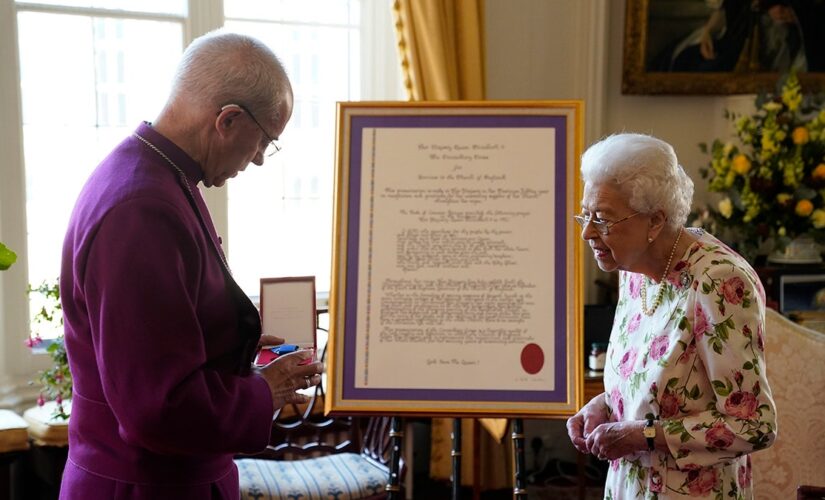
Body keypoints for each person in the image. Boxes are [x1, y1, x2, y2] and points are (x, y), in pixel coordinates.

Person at [59, 31, 323, 499]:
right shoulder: (140, 207)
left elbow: (159, 337)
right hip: (144, 485)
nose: (260, 160)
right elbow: (156, 409)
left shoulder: (159, 175)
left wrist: (226, 343)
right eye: (265, 141)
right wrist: (267, 392)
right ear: (228, 120)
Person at [566, 133, 777, 499]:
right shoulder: (632, 268)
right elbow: (652, 380)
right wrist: (605, 404)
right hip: (629, 487)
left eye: (602, 219)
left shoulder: (719, 282)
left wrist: (643, 436)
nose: (587, 232)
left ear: (655, 221)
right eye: (585, 214)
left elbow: (755, 425)